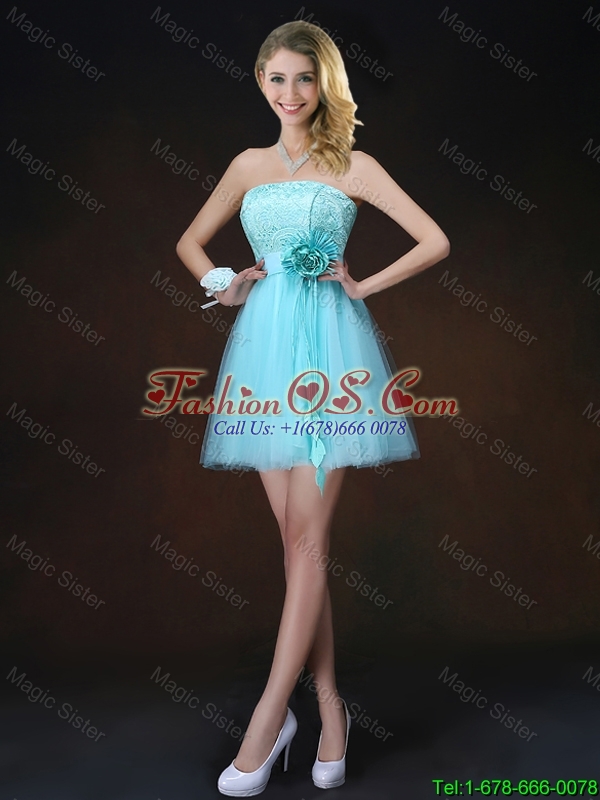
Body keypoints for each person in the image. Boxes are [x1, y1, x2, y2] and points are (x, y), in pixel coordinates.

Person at [176, 19, 450, 796]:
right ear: (260, 82)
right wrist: (225, 285)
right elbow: (191, 245)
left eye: (304, 78)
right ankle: (329, 712)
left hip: (331, 358)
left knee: (308, 543)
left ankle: (268, 722)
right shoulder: (248, 165)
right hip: (263, 359)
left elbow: (433, 239)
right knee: (298, 548)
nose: (290, 93)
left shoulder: (354, 166)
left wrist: (361, 286)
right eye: (277, 78)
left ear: (326, 84)